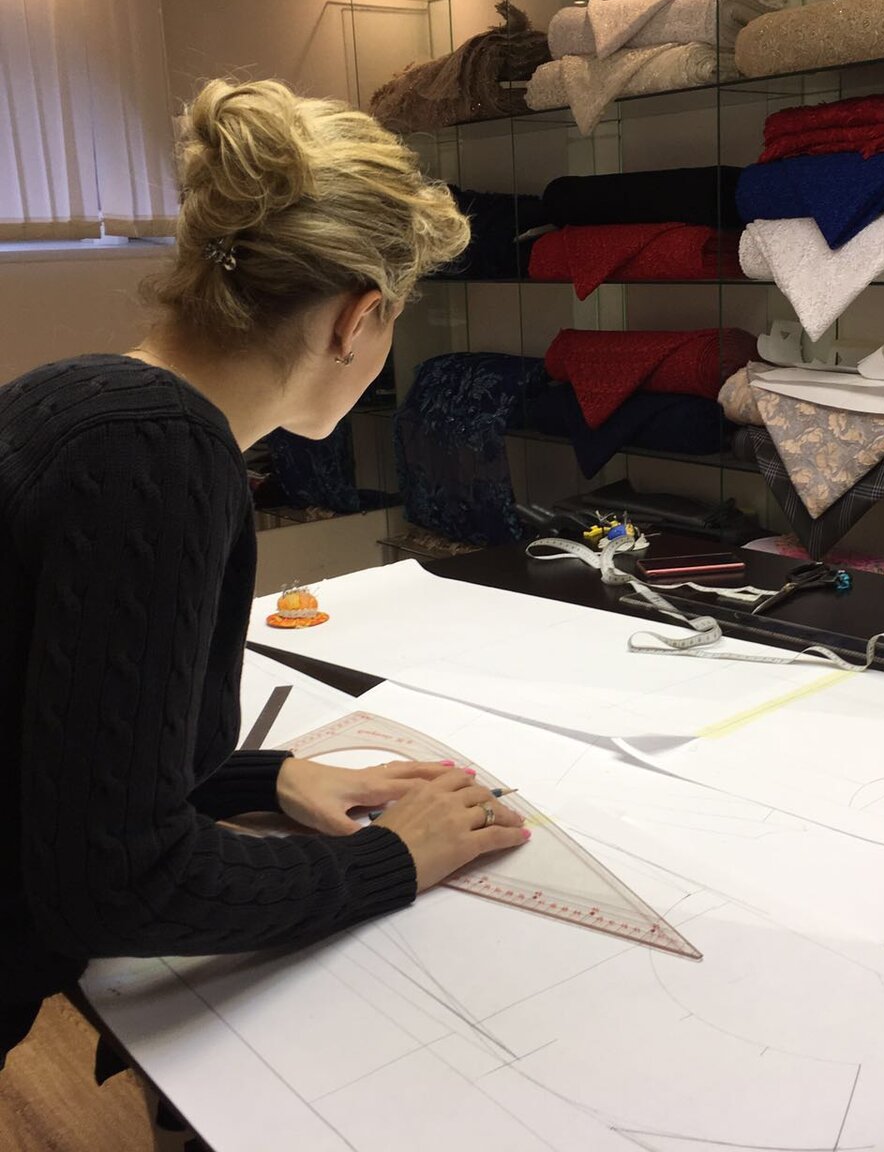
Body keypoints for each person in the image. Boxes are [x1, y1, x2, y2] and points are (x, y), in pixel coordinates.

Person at [0, 79, 528, 1069]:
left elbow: (61, 753)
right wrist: (396, 858)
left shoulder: (72, 399)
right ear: (358, 319)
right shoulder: (161, 456)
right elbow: (119, 884)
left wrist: (267, 774)